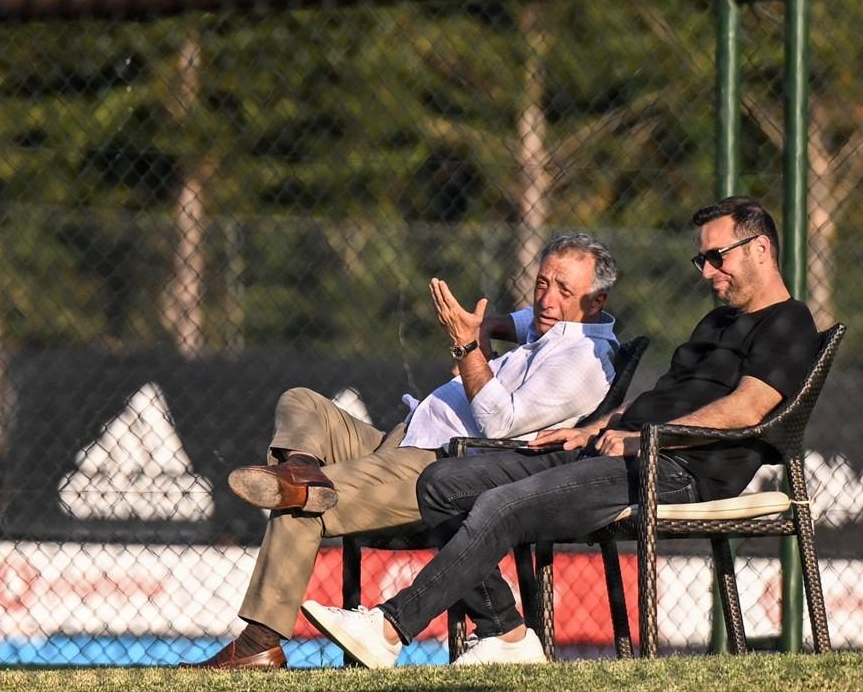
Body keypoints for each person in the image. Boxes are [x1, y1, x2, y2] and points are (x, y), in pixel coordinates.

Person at [299, 196, 820, 667]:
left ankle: (388, 628)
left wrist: (645, 438)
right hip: (620, 449)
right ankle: (506, 635)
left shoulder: (789, 322)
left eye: (716, 257)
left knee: (503, 505)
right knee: (441, 482)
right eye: (701, 259)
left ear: (760, 249)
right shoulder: (716, 324)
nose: (707, 271)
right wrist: (593, 427)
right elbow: (661, 397)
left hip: (678, 467)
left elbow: (747, 408)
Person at [184, 232, 620, 669]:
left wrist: (467, 346)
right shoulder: (553, 325)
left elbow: (500, 423)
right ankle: (301, 468)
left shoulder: (583, 359)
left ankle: (258, 641)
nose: (547, 299)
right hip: (401, 439)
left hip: (437, 464)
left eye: (564, 291)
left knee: (306, 502)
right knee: (302, 402)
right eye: (542, 282)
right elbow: (516, 320)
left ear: (596, 301)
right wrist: (485, 327)